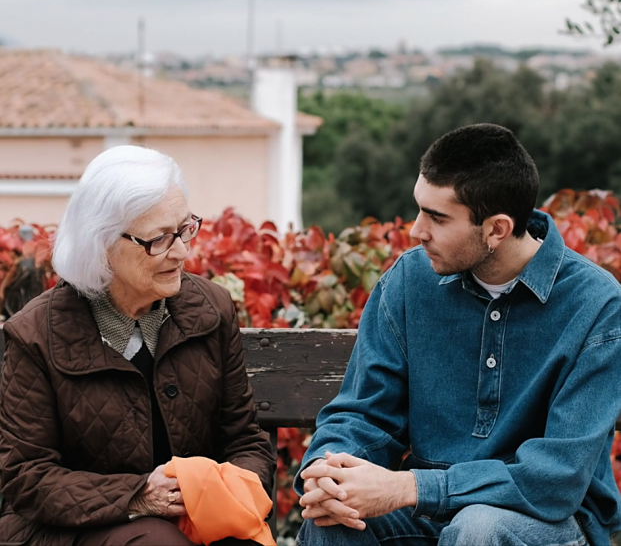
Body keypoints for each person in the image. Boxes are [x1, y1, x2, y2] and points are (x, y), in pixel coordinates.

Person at [295, 124, 621, 546]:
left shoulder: (596, 304)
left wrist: (410, 488)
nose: (416, 231)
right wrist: (330, 471)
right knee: (333, 521)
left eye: (437, 217)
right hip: (427, 515)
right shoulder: (409, 281)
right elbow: (364, 415)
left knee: (479, 529)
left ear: (497, 229)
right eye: (420, 209)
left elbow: (556, 478)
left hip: (546, 522)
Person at [0, 145, 275, 546]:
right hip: (69, 530)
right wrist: (139, 496)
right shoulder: (34, 335)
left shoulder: (211, 310)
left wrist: (230, 492)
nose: (182, 252)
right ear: (103, 244)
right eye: (160, 239)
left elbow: (245, 440)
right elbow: (28, 477)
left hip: (196, 518)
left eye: (185, 229)